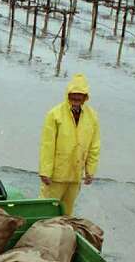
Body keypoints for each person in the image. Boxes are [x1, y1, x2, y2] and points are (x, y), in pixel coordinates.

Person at [39, 72, 101, 216]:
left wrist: (90, 170)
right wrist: (45, 171)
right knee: (46, 210)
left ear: (86, 97)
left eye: (80, 94)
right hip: (56, 175)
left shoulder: (92, 117)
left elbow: (94, 145)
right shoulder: (55, 115)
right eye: (73, 94)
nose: (76, 97)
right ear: (68, 94)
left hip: (75, 175)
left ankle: (62, 235)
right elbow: (47, 145)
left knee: (67, 213)